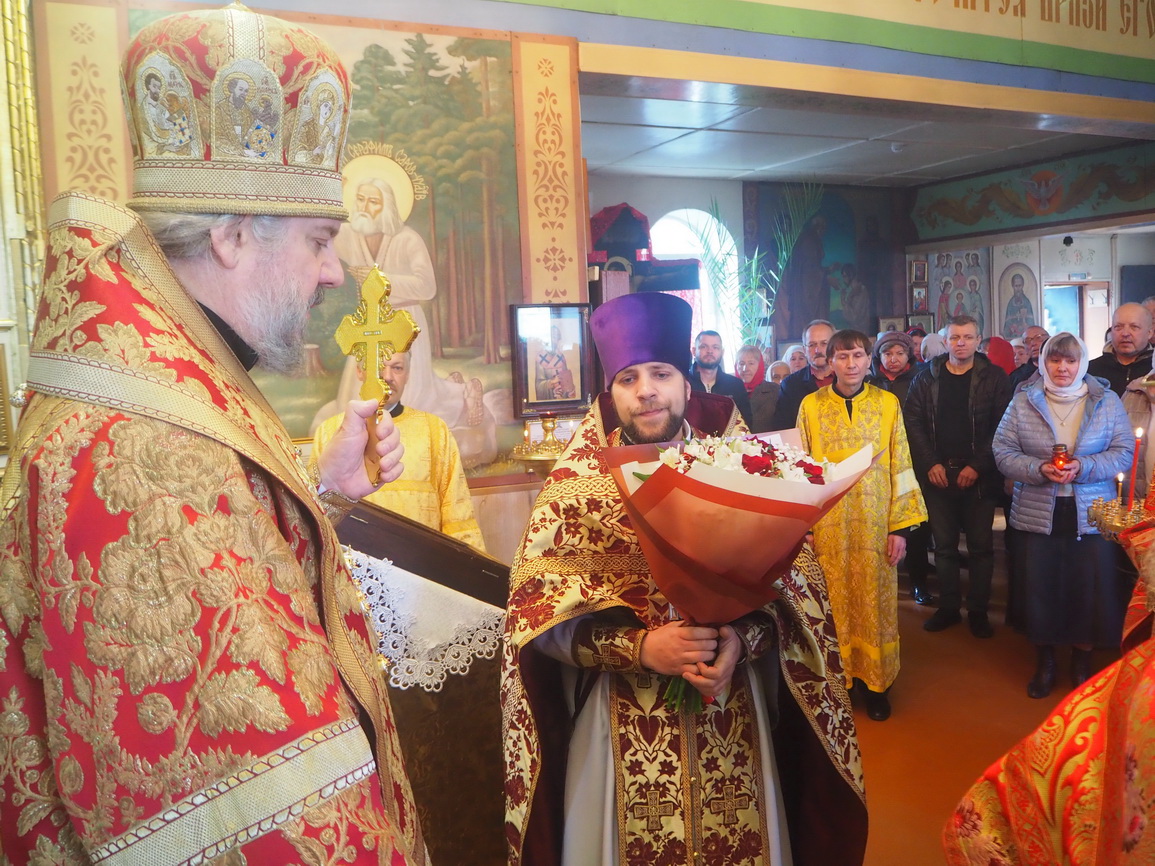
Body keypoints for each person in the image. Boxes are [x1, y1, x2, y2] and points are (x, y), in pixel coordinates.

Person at [0, 5, 426, 864]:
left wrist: (324, 489)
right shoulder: (140, 444)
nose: (334, 272)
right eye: (319, 240)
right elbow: (257, 809)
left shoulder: (173, 383)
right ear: (232, 237)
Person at [503, 292, 867, 866]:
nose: (645, 390)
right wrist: (641, 648)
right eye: (627, 378)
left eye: (661, 373)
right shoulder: (576, 491)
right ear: (610, 394)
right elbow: (535, 624)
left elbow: (796, 602)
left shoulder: (744, 468)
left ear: (686, 384)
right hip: (619, 724)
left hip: (732, 714)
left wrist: (740, 640)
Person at [992, 332, 1133, 698]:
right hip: (1038, 510)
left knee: (1087, 589)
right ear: (1044, 362)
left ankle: (1082, 661)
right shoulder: (1024, 399)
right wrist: (1038, 469)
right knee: (1042, 588)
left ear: (1081, 363)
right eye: (1055, 360)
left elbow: (1123, 451)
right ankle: (1046, 661)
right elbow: (1002, 450)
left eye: (1070, 360)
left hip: (1091, 512)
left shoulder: (1106, 400)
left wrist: (1082, 467)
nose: (1062, 368)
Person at [799, 329, 927, 722]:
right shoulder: (811, 406)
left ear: (869, 359)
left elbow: (901, 462)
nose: (850, 364)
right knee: (833, 604)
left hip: (875, 524)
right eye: (842, 356)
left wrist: (899, 529)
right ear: (829, 362)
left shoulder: (888, 404)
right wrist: (805, 526)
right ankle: (841, 683)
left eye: (857, 355)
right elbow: (800, 467)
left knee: (876, 604)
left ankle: (877, 686)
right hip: (829, 526)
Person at [330, 177, 486, 436]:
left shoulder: (407, 239)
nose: (364, 207)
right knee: (354, 397)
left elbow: (427, 287)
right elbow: (324, 232)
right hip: (368, 321)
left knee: (414, 398)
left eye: (373, 202)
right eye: (360, 199)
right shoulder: (349, 235)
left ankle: (460, 394)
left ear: (388, 206)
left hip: (403, 321)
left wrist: (379, 278)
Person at [311, 351, 486, 551]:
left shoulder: (434, 430)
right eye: (378, 366)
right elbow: (314, 511)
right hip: (352, 561)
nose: (387, 376)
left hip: (421, 562)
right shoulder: (330, 432)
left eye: (397, 368)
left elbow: (457, 513)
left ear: (407, 374)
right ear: (360, 371)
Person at [905, 315, 1012, 639]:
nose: (961, 343)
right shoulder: (926, 377)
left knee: (980, 548)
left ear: (978, 341)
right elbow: (913, 422)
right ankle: (949, 607)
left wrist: (978, 466)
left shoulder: (994, 378)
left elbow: (1003, 426)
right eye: (954, 337)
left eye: (967, 337)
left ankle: (978, 610)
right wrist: (930, 463)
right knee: (944, 548)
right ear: (945, 341)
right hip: (937, 473)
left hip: (979, 476)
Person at [870, 330, 934, 605]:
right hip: (877, 462)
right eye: (888, 353)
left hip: (913, 460)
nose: (894, 359)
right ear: (879, 356)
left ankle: (919, 582)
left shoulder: (921, 380)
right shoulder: (870, 382)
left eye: (899, 353)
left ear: (909, 355)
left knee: (913, 525)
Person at [772, 318, 835, 430]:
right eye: (812, 345)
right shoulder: (790, 385)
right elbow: (783, 427)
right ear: (804, 350)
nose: (817, 350)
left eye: (824, 343)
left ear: (834, 347)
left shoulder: (848, 379)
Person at [688, 328, 753, 428]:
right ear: (694, 351)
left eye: (715, 347)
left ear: (722, 352)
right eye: (704, 346)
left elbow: (747, 423)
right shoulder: (682, 383)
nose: (710, 351)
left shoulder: (735, 385)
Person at [1087, 302, 1154, 396]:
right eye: (1118, 327)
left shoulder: (1153, 371)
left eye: (1134, 327)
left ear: (1149, 333)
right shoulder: (1090, 371)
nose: (1125, 333)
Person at [735, 343, 779, 432]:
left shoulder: (775, 391)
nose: (745, 369)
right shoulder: (729, 391)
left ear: (760, 365)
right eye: (741, 363)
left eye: (751, 363)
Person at [1009, 324, 1049, 390]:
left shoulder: (1059, 369)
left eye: (1038, 338)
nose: (1033, 343)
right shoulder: (1017, 376)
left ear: (1049, 340)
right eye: (1027, 341)